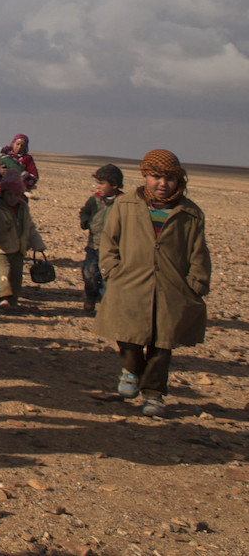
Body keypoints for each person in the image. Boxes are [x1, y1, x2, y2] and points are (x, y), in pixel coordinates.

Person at [94, 149, 211, 418]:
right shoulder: (126, 205)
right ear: (144, 176)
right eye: (156, 176)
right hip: (130, 283)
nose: (162, 183)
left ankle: (154, 394)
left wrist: (197, 282)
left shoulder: (190, 213)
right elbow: (109, 240)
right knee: (127, 335)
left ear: (179, 180)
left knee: (162, 344)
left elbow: (198, 250)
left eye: (169, 178)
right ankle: (132, 369)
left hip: (171, 289)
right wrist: (111, 270)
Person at [0, 168, 46, 310]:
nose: (12, 198)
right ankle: (4, 297)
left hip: (19, 249)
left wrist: (38, 244)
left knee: (16, 276)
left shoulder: (24, 209)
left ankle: (13, 299)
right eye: (9, 194)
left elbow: (30, 227)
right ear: (3, 194)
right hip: (1, 248)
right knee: (4, 273)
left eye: (15, 194)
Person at [79, 163, 124, 312]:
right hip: (94, 245)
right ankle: (90, 298)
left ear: (115, 185)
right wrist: (86, 221)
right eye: (97, 183)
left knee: (108, 277)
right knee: (89, 274)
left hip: (112, 248)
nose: (98, 186)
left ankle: (106, 306)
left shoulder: (123, 203)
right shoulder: (94, 200)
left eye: (102, 183)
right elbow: (84, 212)